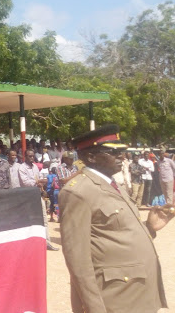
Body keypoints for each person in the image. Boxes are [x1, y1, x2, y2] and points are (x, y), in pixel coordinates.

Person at [60, 125, 172, 313]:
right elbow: (77, 260)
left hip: (137, 292)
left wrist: (149, 228)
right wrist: (94, 308)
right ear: (91, 157)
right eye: (113, 151)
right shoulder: (78, 192)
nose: (121, 156)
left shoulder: (113, 184)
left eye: (121, 151)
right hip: (114, 299)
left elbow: (113, 234)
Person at [19, 149, 58, 251]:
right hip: (27, 197)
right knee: (28, 220)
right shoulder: (21, 168)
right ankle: (29, 244)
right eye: (29, 156)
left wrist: (41, 181)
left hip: (37, 195)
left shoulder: (35, 167)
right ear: (25, 157)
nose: (32, 158)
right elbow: (25, 182)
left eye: (33, 156)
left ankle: (47, 242)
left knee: (44, 219)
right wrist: (38, 182)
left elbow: (41, 178)